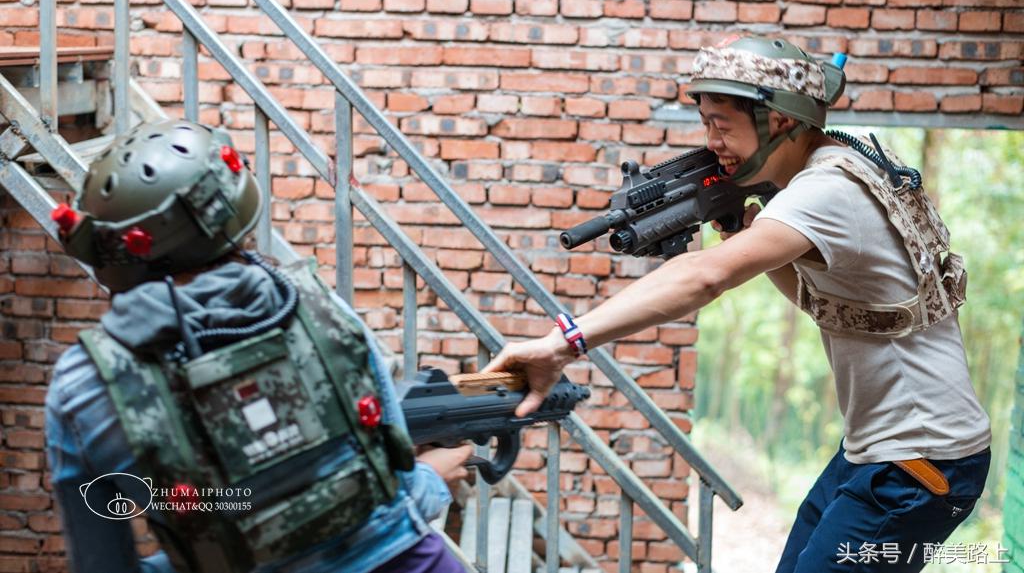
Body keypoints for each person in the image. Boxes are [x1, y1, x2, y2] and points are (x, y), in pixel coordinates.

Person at [484, 36, 991, 573]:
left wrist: (563, 343)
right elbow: (832, 305)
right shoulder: (849, 156)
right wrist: (750, 237)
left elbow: (704, 277)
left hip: (919, 463)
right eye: (705, 123)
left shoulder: (825, 191)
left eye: (722, 125)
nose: (711, 141)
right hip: (878, 451)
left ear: (780, 120)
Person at [45, 119, 472, 573]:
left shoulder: (83, 386)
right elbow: (400, 490)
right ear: (235, 213)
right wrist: (433, 477)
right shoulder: (311, 302)